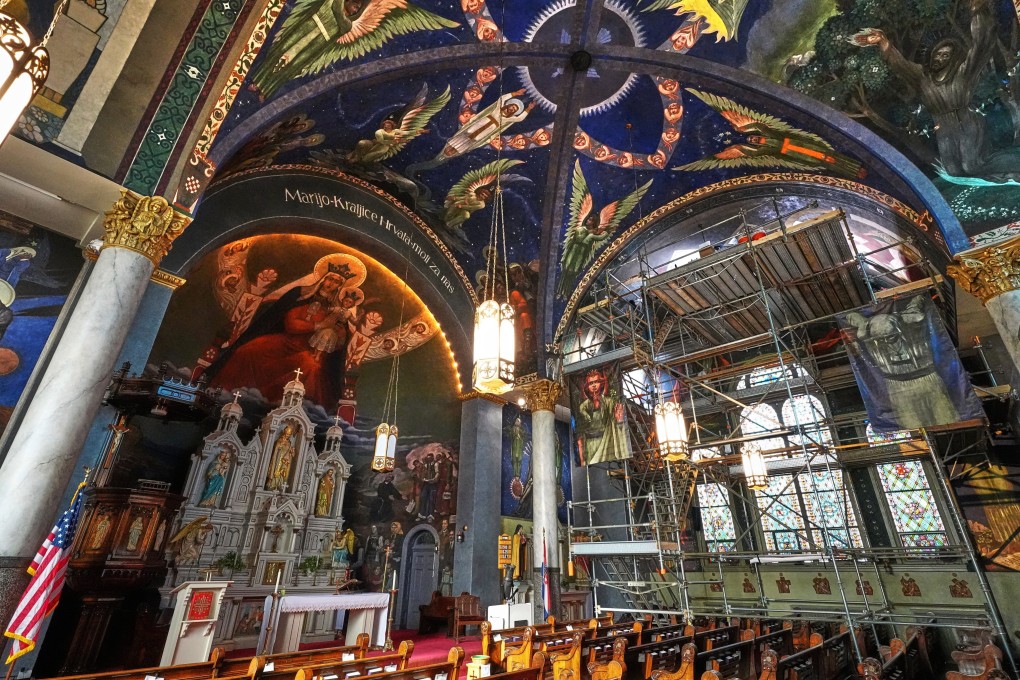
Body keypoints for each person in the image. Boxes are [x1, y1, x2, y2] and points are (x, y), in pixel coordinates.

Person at [209, 253, 368, 406]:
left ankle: (287, 410)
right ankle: (222, 394)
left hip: (308, 348)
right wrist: (319, 325)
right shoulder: (300, 294)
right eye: (330, 279)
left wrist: (335, 333)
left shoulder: (335, 309)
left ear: (340, 287)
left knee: (312, 368)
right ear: (323, 278)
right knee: (247, 349)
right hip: (285, 341)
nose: (331, 283)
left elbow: (339, 343)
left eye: (336, 282)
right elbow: (289, 323)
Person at [574, 368, 631, 465]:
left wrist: (619, 419)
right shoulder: (583, 406)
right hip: (590, 443)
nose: (594, 385)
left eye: (596, 382)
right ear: (587, 387)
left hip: (606, 441)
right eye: (591, 383)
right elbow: (582, 425)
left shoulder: (609, 402)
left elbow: (616, 422)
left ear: (601, 383)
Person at [266, 425, 298, 491]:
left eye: (289, 435)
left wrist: (292, 451)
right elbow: (275, 451)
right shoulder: (279, 441)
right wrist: (280, 445)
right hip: (278, 459)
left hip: (286, 462)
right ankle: (272, 484)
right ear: (284, 432)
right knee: (276, 471)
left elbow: (293, 455)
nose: (287, 436)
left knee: (283, 474)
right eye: (287, 434)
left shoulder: (289, 443)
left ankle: (280, 485)